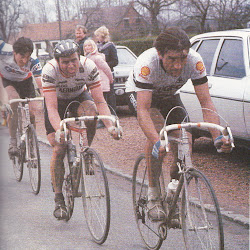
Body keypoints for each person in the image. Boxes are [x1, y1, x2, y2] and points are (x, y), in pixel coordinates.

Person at [125, 27, 232, 225]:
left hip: (169, 97)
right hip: (141, 96)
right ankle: (153, 195)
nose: (178, 65)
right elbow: (143, 111)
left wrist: (217, 136)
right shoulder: (147, 64)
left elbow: (206, 103)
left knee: (184, 144)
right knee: (159, 137)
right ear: (160, 54)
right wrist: (157, 141)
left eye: (182, 58)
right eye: (172, 59)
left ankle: (173, 193)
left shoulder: (195, 61)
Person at [41, 39, 121, 220]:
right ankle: (59, 198)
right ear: (58, 62)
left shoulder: (89, 66)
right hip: (56, 103)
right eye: (65, 62)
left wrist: (110, 126)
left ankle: (84, 152)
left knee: (92, 112)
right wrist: (60, 129)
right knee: (59, 147)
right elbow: (52, 108)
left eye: (74, 60)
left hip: (78, 95)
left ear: (79, 57)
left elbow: (100, 101)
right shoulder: (49, 70)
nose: (71, 65)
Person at [0, 37, 42, 156]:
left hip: (25, 82)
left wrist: (45, 98)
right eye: (22, 56)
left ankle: (31, 142)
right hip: (8, 81)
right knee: (14, 102)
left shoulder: (34, 61)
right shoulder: (3, 50)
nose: (24, 60)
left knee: (32, 113)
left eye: (27, 57)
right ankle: (13, 142)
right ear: (14, 52)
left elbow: (41, 85)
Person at [83, 38, 113, 128]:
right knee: (96, 102)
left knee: (101, 102)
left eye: (89, 45)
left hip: (101, 82)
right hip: (92, 83)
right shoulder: (87, 58)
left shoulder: (97, 57)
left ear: (93, 47)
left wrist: (111, 79)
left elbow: (106, 68)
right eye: (85, 46)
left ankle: (104, 121)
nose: (87, 47)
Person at [94, 26, 118, 113]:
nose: (97, 38)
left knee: (110, 95)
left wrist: (103, 65)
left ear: (103, 36)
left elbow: (115, 61)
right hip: (99, 75)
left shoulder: (110, 46)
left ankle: (112, 113)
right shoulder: (96, 47)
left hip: (108, 74)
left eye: (98, 36)